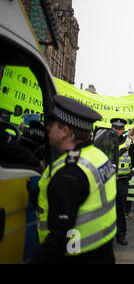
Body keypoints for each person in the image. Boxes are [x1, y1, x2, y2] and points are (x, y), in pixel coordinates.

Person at [30, 95, 116, 264]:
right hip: (102, 252)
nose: (46, 128)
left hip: (76, 257)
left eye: (51, 124)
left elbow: (58, 237)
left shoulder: (69, 173)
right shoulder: (97, 155)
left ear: (65, 131)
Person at [111, 118, 134, 245]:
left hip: (122, 180)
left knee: (120, 208)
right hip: (108, 179)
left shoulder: (129, 142)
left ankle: (121, 235)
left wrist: (125, 171)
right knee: (107, 208)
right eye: (114, 127)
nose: (116, 130)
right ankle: (108, 234)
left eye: (119, 128)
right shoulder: (106, 140)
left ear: (123, 129)